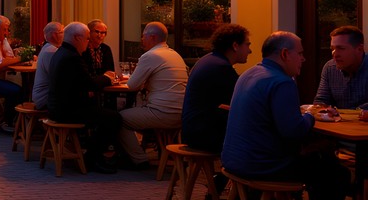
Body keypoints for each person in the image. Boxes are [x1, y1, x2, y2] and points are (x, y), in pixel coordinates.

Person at [222, 32, 348, 200]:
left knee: (320, 159)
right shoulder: (281, 82)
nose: (304, 59)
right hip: (260, 165)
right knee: (336, 173)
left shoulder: (249, 73)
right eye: (299, 53)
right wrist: (311, 116)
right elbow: (293, 132)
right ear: (284, 54)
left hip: (233, 160)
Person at [48, 21, 121, 174]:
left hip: (58, 107)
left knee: (103, 113)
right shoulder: (72, 57)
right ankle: (93, 158)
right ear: (77, 38)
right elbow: (90, 84)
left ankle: (94, 155)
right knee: (113, 117)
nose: (88, 43)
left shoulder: (61, 53)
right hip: (67, 111)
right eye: (87, 38)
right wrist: (107, 77)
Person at [118, 21, 190, 170]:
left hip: (162, 113)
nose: (141, 39)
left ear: (153, 37)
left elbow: (132, 86)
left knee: (119, 118)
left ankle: (139, 160)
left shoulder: (150, 56)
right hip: (182, 114)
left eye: (143, 36)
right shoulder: (175, 55)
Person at [181, 23, 251, 154]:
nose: (250, 50)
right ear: (235, 46)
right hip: (203, 135)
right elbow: (243, 99)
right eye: (247, 45)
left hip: (193, 131)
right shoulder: (220, 67)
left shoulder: (211, 60)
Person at [314, 25, 368, 110]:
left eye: (341, 48)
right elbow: (321, 101)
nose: (334, 53)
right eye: (332, 49)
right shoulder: (330, 68)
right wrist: (323, 109)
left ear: (359, 49)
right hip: (338, 122)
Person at [30, 21, 64, 110]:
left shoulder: (47, 47)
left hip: (42, 96)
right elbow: (59, 77)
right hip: (45, 99)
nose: (64, 35)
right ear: (54, 35)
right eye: (62, 32)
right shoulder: (52, 51)